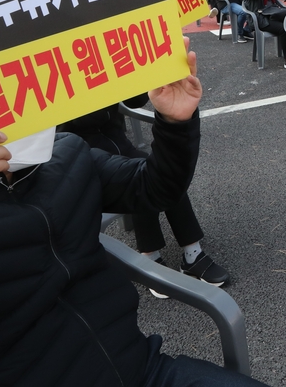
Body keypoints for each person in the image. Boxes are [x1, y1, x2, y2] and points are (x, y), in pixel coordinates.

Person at [0, 39, 269, 386]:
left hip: (142, 370)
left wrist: (175, 122)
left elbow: (154, 189)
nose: (24, 103)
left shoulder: (62, 155)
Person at [58, 97, 230, 290]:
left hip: (120, 144)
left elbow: (134, 101)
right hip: (82, 156)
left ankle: (192, 253)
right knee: (133, 180)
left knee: (164, 171)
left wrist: (142, 80)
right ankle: (150, 257)